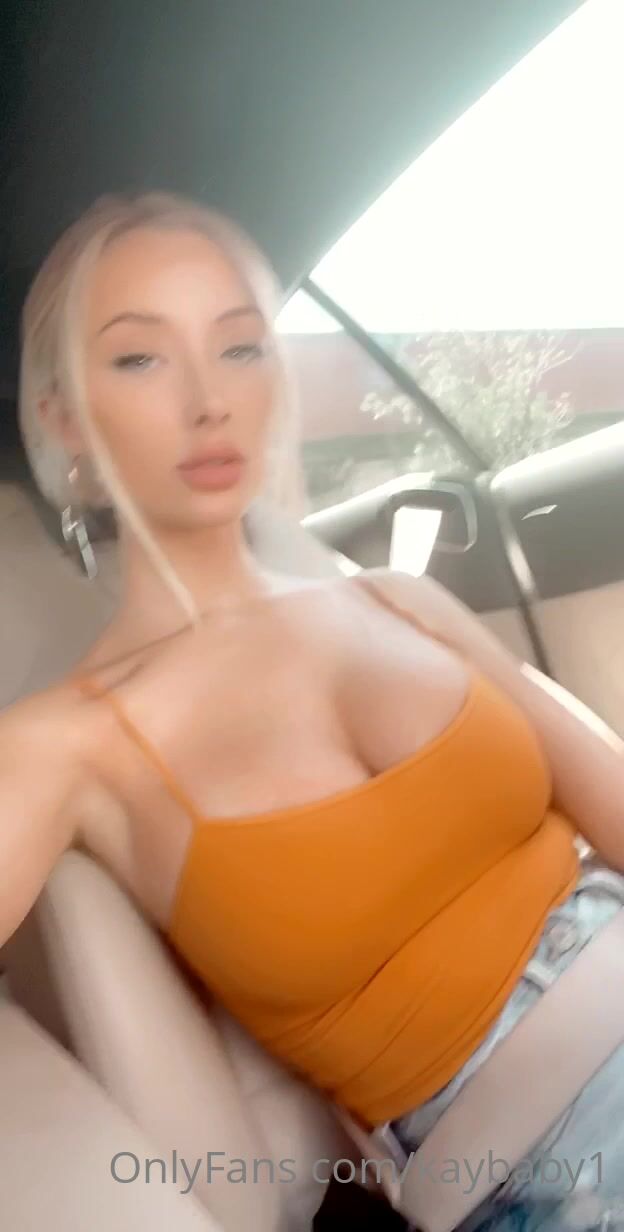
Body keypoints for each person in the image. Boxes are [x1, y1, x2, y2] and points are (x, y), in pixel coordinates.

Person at [2, 191, 624, 1232]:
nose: (209, 399)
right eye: (140, 358)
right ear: (63, 415)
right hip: (556, 1157)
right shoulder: (67, 741)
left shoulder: (396, 599)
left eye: (240, 346)